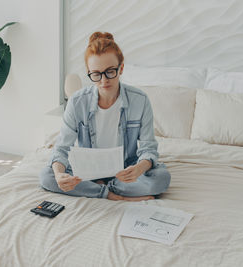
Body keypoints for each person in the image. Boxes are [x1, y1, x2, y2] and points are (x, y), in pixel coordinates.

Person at [39, 32, 171, 201]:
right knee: (47, 176)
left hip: (125, 170)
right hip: (86, 169)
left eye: (110, 72)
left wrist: (139, 168)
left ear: (121, 68)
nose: (103, 81)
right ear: (89, 73)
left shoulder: (140, 100)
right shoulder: (76, 102)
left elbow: (148, 148)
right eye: (96, 74)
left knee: (161, 178)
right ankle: (110, 194)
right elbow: (62, 148)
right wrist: (59, 174)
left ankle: (98, 187)